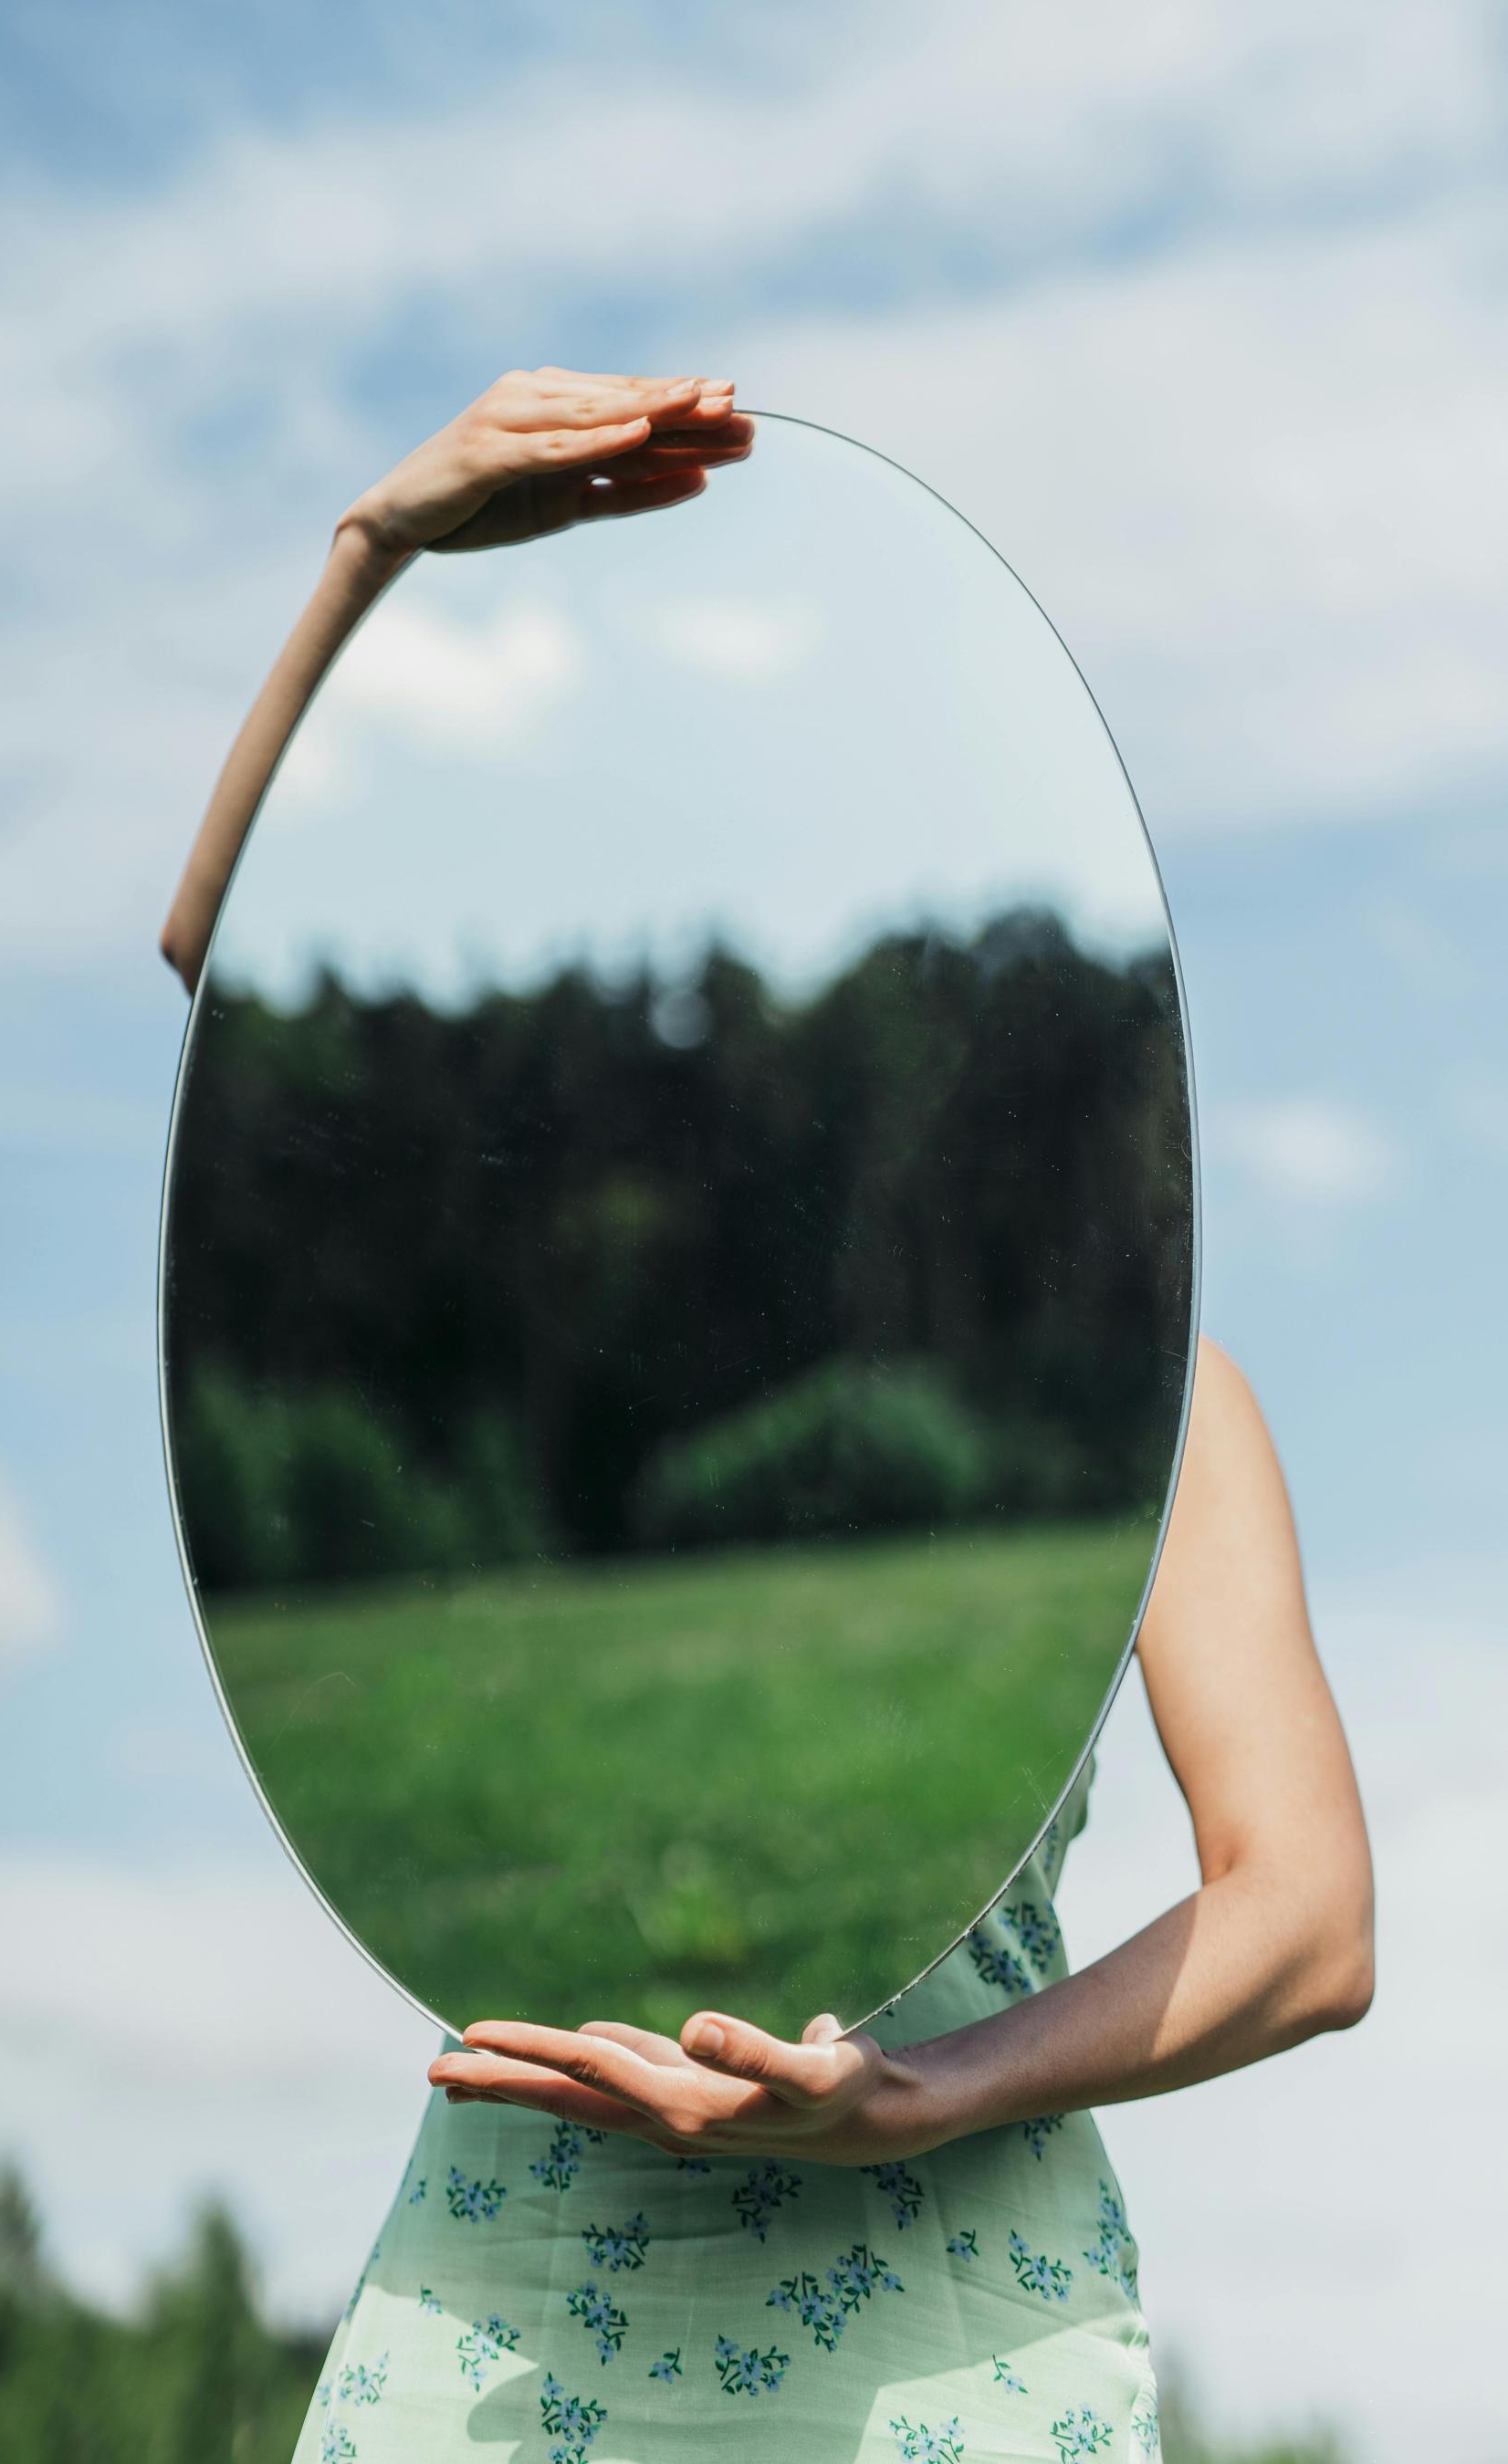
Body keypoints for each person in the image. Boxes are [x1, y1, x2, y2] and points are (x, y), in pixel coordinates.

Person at [162, 368, 1375, 2464]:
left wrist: (927, 2093)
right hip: (499, 2330)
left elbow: (1313, 1919)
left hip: (941, 2350)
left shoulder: (1171, 1409)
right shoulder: (581, 1351)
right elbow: (229, 986)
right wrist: (376, 554)